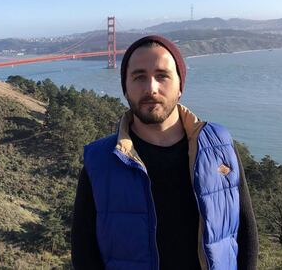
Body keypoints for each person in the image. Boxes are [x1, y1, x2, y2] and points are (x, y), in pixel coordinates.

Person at [71, 35, 258, 270]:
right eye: (139, 77)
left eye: (162, 76)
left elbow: (246, 232)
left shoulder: (220, 145)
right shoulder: (99, 161)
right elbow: (84, 253)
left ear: (180, 86)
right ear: (125, 89)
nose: (151, 88)